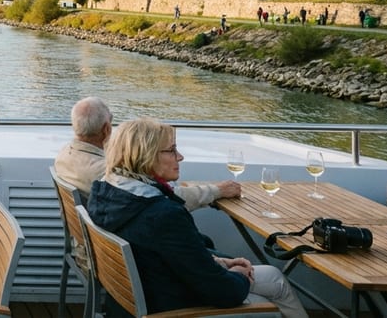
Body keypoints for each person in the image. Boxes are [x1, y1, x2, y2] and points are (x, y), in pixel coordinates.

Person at [87, 118, 307, 318]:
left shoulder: (106, 194)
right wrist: (239, 275)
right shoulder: (162, 215)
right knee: (272, 299)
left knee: (273, 275)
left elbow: (162, 255)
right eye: (172, 150)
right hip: (175, 308)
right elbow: (223, 293)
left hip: (142, 297)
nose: (180, 156)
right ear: (145, 157)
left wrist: (219, 262)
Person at [54, 97, 238, 207]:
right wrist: (216, 191)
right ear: (107, 129)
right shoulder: (107, 173)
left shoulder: (64, 156)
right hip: (135, 255)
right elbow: (165, 200)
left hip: (99, 246)